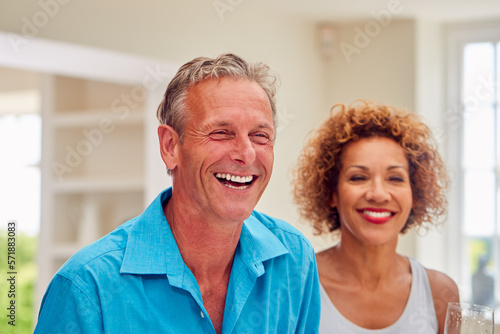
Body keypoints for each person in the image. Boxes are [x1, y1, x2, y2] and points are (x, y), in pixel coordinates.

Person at [35, 53, 321, 333]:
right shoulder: (88, 287)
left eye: (261, 136)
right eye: (221, 132)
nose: (246, 154)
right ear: (170, 146)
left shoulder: (294, 261)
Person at [292, 101, 460, 334]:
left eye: (395, 178)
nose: (378, 194)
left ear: (415, 194)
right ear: (332, 193)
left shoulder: (440, 292)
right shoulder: (297, 284)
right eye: (359, 177)